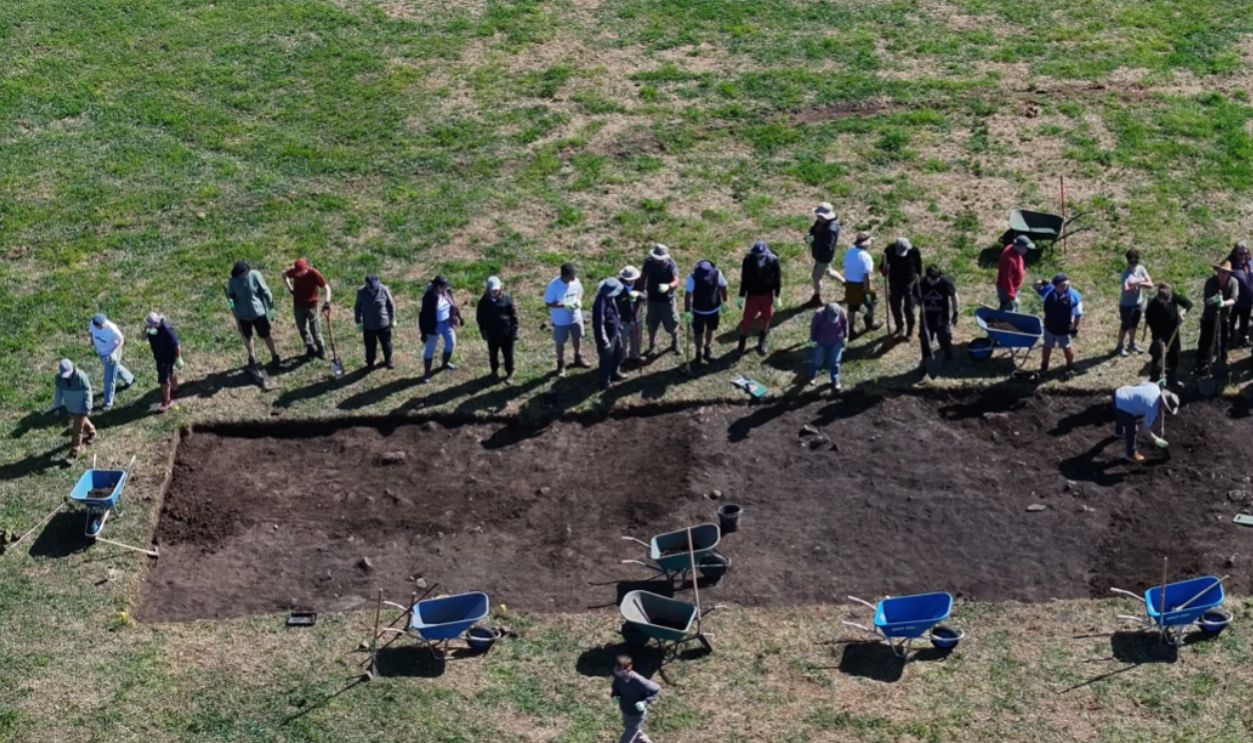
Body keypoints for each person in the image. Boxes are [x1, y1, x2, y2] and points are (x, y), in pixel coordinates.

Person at [226, 260, 280, 370]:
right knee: (248, 336)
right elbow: (230, 297)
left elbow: (265, 291)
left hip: (258, 312)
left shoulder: (255, 275)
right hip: (242, 315)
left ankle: (275, 355)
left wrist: (270, 305)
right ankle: (252, 358)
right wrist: (231, 305)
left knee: (266, 334)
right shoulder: (233, 281)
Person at [1112, 381, 1179, 463]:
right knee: (1133, 428)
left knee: (1127, 412)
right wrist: (1156, 440)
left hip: (1119, 392)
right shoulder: (1152, 409)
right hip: (1120, 405)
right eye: (1166, 409)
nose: (1165, 410)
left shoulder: (1155, 387)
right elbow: (1145, 431)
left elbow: (1142, 383)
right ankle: (1131, 454)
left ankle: (1118, 431)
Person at [543, 263, 589, 377]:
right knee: (560, 343)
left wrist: (578, 301)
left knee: (577, 338)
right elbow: (548, 303)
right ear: (565, 276)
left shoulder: (575, 281)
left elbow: (580, 292)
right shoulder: (553, 286)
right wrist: (565, 306)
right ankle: (560, 364)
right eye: (572, 276)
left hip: (575, 317)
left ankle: (578, 357)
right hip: (560, 321)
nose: (574, 278)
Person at [736, 240, 781, 355]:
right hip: (753, 295)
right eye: (757, 255)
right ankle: (742, 343)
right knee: (747, 319)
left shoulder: (773, 260)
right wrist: (741, 295)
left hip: (767, 294)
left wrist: (777, 295)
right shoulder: (748, 260)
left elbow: (777, 279)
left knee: (766, 317)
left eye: (761, 255)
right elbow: (744, 278)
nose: (759, 257)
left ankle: (762, 340)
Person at [281, 257, 331, 359]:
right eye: (297, 273)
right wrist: (290, 288)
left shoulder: (314, 273)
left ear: (306, 268)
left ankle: (321, 349)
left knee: (315, 330)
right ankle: (310, 348)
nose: (299, 275)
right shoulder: (294, 272)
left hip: (311, 306)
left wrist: (327, 302)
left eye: (301, 273)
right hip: (298, 305)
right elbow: (284, 274)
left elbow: (326, 287)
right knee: (302, 329)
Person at [1035, 273, 1083, 377]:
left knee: (1067, 347)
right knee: (1047, 346)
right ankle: (1044, 366)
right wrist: (1042, 281)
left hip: (1064, 328)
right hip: (1049, 326)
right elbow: (1035, 286)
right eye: (1062, 285)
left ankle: (1070, 366)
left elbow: (1078, 315)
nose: (1065, 287)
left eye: (1066, 284)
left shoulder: (1074, 296)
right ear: (1055, 285)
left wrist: (1074, 329)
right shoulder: (1048, 291)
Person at [1144, 283, 1191, 389]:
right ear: (1159, 299)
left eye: (1169, 301)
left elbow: (1188, 304)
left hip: (1173, 335)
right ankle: (1154, 382)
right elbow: (1154, 329)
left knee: (1174, 358)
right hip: (1159, 336)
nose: (1167, 304)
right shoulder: (1151, 308)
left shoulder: (1172, 296)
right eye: (1164, 302)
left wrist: (1183, 311)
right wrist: (1159, 341)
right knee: (1157, 359)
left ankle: (1172, 380)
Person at [1197, 260, 1239, 375]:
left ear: (1229, 273)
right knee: (1205, 342)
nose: (1222, 275)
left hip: (1224, 318)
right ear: (1218, 271)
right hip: (1209, 317)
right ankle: (1202, 363)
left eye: (1225, 273)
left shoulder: (1233, 282)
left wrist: (1224, 303)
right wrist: (1214, 299)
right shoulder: (1210, 282)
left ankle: (1221, 362)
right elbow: (1207, 300)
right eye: (1221, 272)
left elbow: (1234, 299)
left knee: (1223, 342)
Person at [916, 266, 959, 376]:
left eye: (936, 280)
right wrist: (918, 301)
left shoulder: (945, 282)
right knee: (925, 340)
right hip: (926, 318)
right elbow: (913, 298)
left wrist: (955, 312)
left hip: (942, 317)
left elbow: (954, 296)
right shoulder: (920, 284)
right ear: (927, 277)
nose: (934, 283)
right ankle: (926, 362)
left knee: (944, 337)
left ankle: (947, 352)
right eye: (931, 280)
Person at [683, 260, 728, 364]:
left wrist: (687, 311)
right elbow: (723, 287)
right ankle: (707, 349)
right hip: (713, 308)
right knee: (710, 330)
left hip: (698, 311)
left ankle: (698, 354)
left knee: (698, 333)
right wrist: (724, 301)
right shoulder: (717, 272)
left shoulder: (693, 277)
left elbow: (688, 295)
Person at [87, 313, 135, 411]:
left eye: (103, 324)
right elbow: (91, 332)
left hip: (112, 355)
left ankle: (108, 403)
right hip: (102, 353)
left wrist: (114, 353)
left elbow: (121, 340)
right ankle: (130, 378)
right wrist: (92, 340)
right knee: (115, 370)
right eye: (100, 325)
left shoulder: (112, 328)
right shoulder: (92, 324)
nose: (103, 326)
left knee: (108, 379)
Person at [419, 275, 462, 383]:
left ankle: (445, 363)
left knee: (451, 343)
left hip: (447, 323)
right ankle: (427, 373)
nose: (446, 287)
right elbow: (423, 316)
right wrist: (424, 332)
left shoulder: (447, 292)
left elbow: (453, 306)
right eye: (444, 286)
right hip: (434, 325)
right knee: (430, 349)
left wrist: (459, 317)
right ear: (437, 286)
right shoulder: (429, 297)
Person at [475, 276, 518, 384]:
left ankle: (509, 373)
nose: (495, 291)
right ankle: (494, 372)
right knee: (493, 354)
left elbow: (513, 315)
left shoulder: (507, 298)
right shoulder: (484, 302)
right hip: (492, 334)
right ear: (488, 289)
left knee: (508, 354)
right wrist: (483, 331)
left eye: (497, 289)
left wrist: (514, 330)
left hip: (507, 333)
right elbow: (480, 318)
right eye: (493, 289)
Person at [49, 359, 95, 458]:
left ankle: (73, 452)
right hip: (70, 408)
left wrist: (88, 407)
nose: (67, 377)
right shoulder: (59, 379)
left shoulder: (81, 377)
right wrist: (57, 407)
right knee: (81, 423)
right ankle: (92, 432)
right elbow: (58, 393)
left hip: (81, 408)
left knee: (77, 431)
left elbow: (88, 393)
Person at [610, 654, 661, 743]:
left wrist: (644, 702)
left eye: (620, 669)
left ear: (629, 668)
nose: (618, 671)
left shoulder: (639, 681)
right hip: (626, 711)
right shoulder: (619, 678)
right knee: (635, 732)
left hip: (636, 714)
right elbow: (616, 688)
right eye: (617, 668)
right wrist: (615, 695)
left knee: (628, 735)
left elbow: (656, 689)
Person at [641, 244, 680, 356]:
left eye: (660, 259)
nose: (658, 260)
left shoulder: (671, 264)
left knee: (672, 323)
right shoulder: (648, 262)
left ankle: (675, 342)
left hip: (667, 300)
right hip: (652, 300)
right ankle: (652, 345)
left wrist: (669, 286)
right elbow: (643, 276)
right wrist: (642, 290)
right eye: (656, 258)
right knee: (652, 324)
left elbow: (676, 280)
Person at [881, 236, 922, 339]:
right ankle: (899, 327)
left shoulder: (914, 251)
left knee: (909, 308)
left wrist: (918, 279)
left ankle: (909, 330)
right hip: (895, 282)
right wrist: (883, 269)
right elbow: (883, 266)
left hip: (910, 282)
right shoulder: (889, 250)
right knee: (895, 306)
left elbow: (918, 266)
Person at [353, 274, 396, 370]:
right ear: (366, 285)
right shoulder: (361, 292)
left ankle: (388, 360)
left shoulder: (384, 289)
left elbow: (391, 304)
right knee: (370, 347)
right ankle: (370, 363)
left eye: (375, 287)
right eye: (371, 288)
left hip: (384, 325)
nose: (373, 290)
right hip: (369, 326)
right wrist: (358, 321)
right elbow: (357, 307)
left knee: (386, 344)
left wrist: (393, 319)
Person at [1115, 249, 1153, 356]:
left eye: (1135, 262)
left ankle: (1131, 343)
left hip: (1138, 303)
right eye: (1131, 262)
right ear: (1128, 262)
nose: (1134, 264)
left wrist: (1138, 283)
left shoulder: (1141, 269)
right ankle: (1120, 346)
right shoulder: (1125, 274)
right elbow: (1126, 289)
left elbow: (1150, 284)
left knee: (1134, 325)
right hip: (1126, 305)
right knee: (1125, 326)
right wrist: (1138, 282)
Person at [841, 231, 879, 337]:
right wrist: (867, 291)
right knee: (871, 303)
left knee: (851, 307)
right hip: (862, 285)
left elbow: (846, 266)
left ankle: (850, 329)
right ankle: (870, 322)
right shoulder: (866, 257)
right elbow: (866, 277)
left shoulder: (849, 252)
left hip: (850, 284)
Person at [144, 312, 183, 413]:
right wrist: (146, 331)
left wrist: (178, 358)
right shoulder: (150, 329)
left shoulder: (165, 329)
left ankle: (167, 402)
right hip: (159, 356)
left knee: (163, 380)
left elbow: (176, 344)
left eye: (150, 325)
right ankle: (175, 388)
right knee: (170, 372)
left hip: (167, 357)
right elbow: (143, 337)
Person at [592, 278, 626, 390]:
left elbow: (616, 313)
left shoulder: (611, 298)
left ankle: (615, 372)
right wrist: (604, 340)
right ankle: (604, 382)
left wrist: (619, 325)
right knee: (606, 359)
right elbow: (599, 323)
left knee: (619, 352)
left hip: (616, 331)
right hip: (607, 335)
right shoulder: (600, 302)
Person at [809, 302, 849, 392]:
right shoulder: (819, 314)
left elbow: (845, 324)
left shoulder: (841, 312)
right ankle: (812, 376)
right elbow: (813, 327)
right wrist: (813, 339)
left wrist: (846, 337)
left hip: (836, 340)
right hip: (821, 340)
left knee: (835, 361)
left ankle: (835, 380)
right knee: (817, 359)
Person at [806, 202, 841, 307]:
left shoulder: (831, 229)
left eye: (820, 216)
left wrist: (812, 241)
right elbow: (814, 229)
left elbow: (827, 247)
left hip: (823, 258)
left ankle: (816, 298)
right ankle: (848, 285)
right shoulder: (822, 221)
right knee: (829, 271)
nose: (817, 217)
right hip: (819, 255)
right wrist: (810, 234)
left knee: (816, 277)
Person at [1225, 241, 1252, 347]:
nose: (1243, 256)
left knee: (1244, 322)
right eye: (1241, 254)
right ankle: (1229, 341)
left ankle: (1243, 339)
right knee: (1231, 323)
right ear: (1235, 253)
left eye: (1245, 253)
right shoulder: (1230, 264)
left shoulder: (1249, 263)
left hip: (1247, 300)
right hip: (1234, 301)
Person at [996, 236, 1033, 311]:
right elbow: (1006, 278)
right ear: (1019, 247)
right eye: (1025, 248)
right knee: (1009, 311)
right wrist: (1011, 295)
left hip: (1014, 288)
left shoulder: (1014, 250)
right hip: (1007, 290)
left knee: (1015, 308)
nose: (1027, 250)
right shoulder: (1009, 259)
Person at [616, 266, 645, 367]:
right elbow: (616, 302)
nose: (632, 281)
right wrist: (627, 299)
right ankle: (622, 358)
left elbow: (644, 295)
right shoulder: (618, 285)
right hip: (624, 318)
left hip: (637, 317)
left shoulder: (639, 282)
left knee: (637, 338)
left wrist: (638, 294)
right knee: (622, 340)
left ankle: (635, 356)